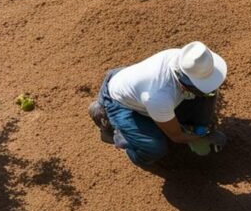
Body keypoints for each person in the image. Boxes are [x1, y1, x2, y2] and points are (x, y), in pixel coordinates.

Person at [89, 42, 228, 166]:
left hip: (139, 89)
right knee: (154, 147)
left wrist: (201, 127)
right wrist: (205, 137)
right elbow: (176, 136)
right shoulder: (158, 97)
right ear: (185, 83)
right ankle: (120, 133)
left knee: (206, 98)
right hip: (120, 102)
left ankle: (165, 122)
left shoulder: (186, 61)